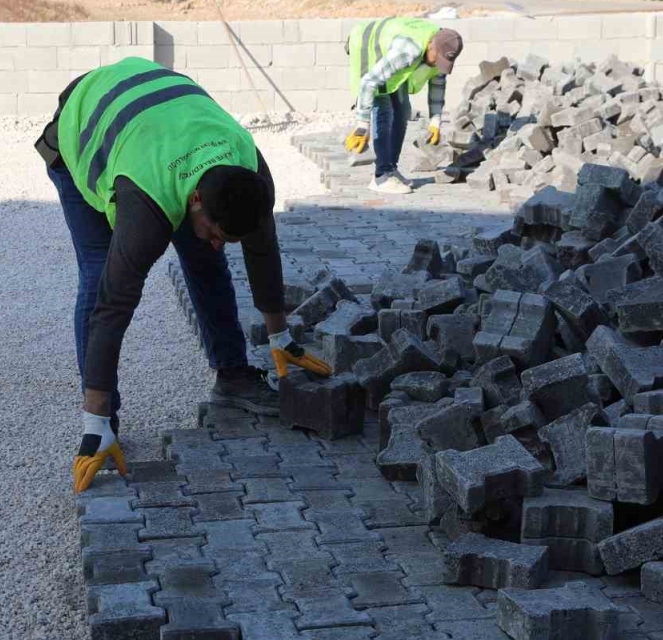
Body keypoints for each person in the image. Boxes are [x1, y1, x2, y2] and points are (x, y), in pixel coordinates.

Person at [35, 57, 334, 494]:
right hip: (85, 123)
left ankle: (232, 376)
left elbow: (262, 250)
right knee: (101, 276)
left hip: (162, 121)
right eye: (216, 233)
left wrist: (280, 337)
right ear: (195, 200)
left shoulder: (249, 174)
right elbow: (113, 305)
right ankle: (103, 423)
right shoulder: (145, 205)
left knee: (205, 260)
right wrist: (93, 418)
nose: (218, 242)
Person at [343, 18, 464, 194]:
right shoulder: (407, 52)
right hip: (368, 46)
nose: (437, 64)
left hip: (393, 53)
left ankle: (391, 168)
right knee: (384, 110)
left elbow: (438, 85)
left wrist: (435, 121)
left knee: (403, 110)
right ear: (430, 46)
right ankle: (381, 176)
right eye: (436, 59)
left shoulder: (442, 48)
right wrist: (362, 126)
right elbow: (368, 83)